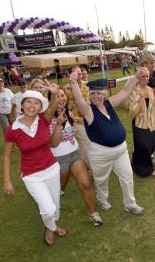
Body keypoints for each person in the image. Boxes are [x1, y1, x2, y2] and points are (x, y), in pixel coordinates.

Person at [69, 66, 144, 214]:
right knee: (101, 180)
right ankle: (102, 200)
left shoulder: (109, 104)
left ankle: (130, 204)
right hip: (100, 153)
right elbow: (78, 100)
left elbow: (125, 91)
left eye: (99, 93)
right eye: (92, 94)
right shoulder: (89, 111)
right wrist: (73, 83)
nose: (95, 96)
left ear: (104, 94)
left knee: (127, 177)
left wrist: (136, 77)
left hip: (121, 150)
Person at [3, 85, 67, 246]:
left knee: (55, 204)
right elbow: (7, 155)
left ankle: (51, 226)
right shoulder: (13, 129)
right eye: (28, 102)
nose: (32, 106)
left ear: (40, 106)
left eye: (36, 103)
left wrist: (53, 92)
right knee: (48, 209)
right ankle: (51, 226)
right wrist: (7, 181)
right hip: (32, 175)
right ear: (22, 105)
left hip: (52, 169)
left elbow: (53, 105)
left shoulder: (44, 120)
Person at [48, 88, 103, 226]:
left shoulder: (69, 113)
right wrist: (59, 124)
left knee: (85, 184)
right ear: (51, 101)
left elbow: (73, 133)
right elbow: (54, 143)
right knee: (59, 187)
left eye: (63, 96)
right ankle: (53, 199)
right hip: (59, 158)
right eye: (57, 97)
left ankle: (94, 214)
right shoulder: (48, 118)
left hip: (75, 153)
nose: (62, 99)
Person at [128, 67, 155, 177]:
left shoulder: (150, 89)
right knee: (144, 147)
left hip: (151, 122)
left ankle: (136, 163)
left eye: (147, 76)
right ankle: (146, 170)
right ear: (137, 77)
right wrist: (141, 99)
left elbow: (153, 106)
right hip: (140, 123)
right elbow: (132, 112)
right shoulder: (133, 91)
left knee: (153, 145)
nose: (146, 78)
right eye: (143, 76)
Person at [64, 68, 92, 166]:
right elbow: (64, 104)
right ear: (70, 75)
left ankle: (84, 162)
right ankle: (90, 164)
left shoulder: (87, 85)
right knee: (86, 142)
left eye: (80, 74)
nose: (78, 76)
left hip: (89, 118)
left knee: (83, 142)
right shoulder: (66, 88)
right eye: (76, 74)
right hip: (75, 120)